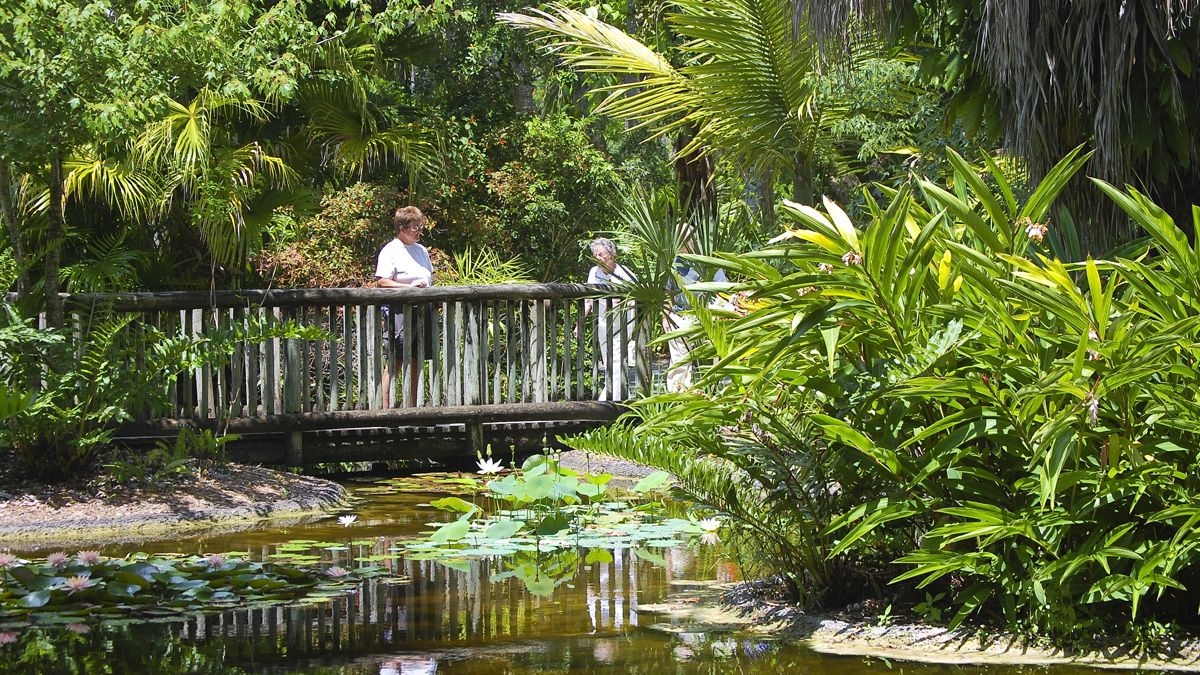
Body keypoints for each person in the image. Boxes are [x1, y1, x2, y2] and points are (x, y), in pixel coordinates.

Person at [376, 206, 434, 407]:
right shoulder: (391, 250)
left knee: (417, 360)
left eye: (420, 226)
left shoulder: (421, 251)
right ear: (402, 228)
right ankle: (385, 410)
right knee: (396, 361)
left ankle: (412, 407)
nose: (419, 231)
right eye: (415, 227)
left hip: (423, 310)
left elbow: (428, 277)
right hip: (400, 312)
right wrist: (408, 287)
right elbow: (382, 281)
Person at [666, 247, 727, 393]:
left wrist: (703, 287)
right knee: (679, 358)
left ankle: (707, 392)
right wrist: (666, 316)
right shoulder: (674, 263)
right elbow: (667, 292)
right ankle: (678, 394)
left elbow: (723, 290)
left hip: (707, 315)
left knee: (709, 356)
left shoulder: (708, 261)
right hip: (681, 315)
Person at [584, 238, 636, 400]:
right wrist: (579, 323)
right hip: (603, 320)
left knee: (617, 357)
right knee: (608, 360)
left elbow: (636, 296)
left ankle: (606, 399)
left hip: (622, 320)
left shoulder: (624, 273)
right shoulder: (594, 272)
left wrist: (620, 305)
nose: (598, 258)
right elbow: (588, 300)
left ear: (612, 256)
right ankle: (623, 395)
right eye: (595, 255)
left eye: (602, 255)